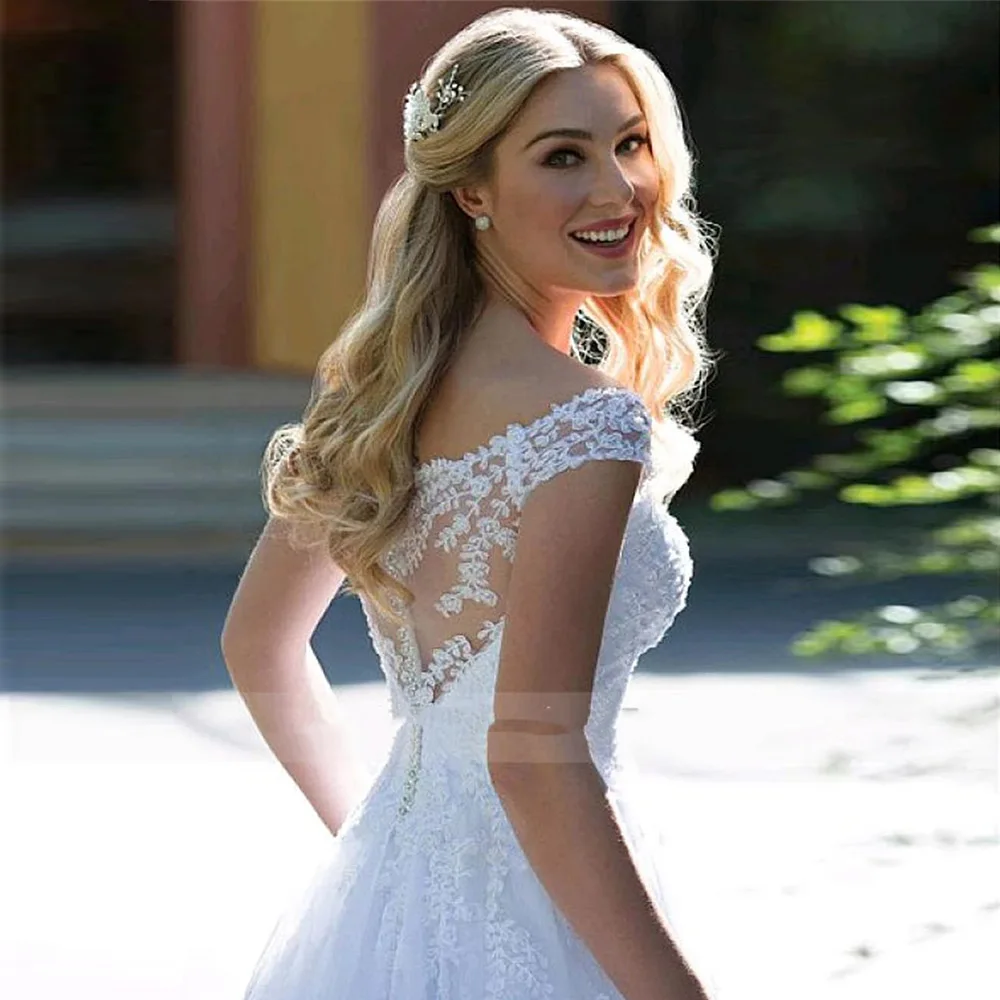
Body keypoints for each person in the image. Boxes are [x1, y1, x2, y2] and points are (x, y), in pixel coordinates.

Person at [221, 6, 718, 999]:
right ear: (472, 191)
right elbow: (533, 757)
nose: (619, 187)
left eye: (629, 144)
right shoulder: (585, 423)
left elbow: (257, 645)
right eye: (564, 156)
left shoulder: (378, 397)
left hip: (384, 903)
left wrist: (378, 843)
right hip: (539, 918)